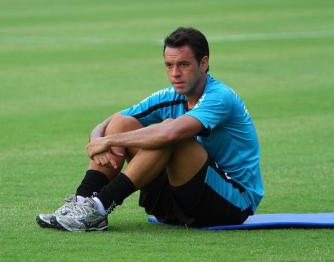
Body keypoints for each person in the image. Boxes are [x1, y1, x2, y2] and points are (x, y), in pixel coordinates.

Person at [36, 27, 264, 232]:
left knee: (168, 132)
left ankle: (100, 206)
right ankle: (81, 203)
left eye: (183, 64)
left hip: (229, 203)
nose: (175, 73)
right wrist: (97, 140)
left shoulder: (219, 97)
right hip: (178, 200)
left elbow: (169, 134)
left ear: (203, 63)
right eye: (169, 65)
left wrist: (109, 142)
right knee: (122, 123)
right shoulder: (172, 95)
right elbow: (111, 122)